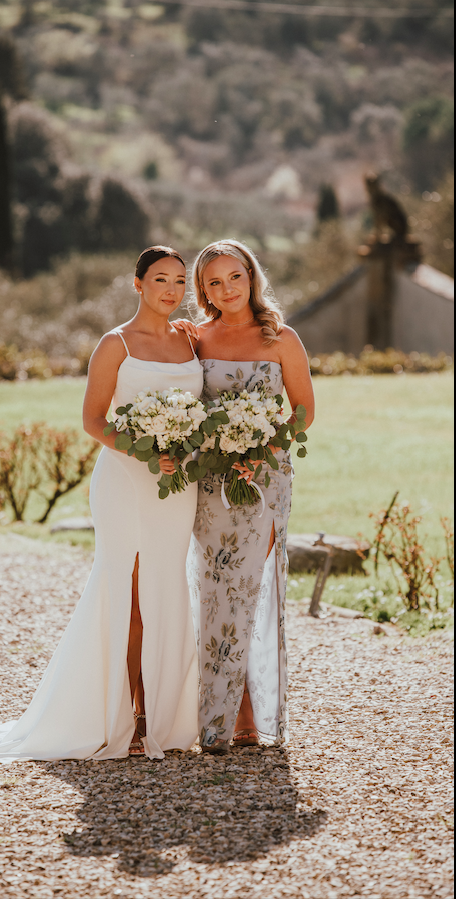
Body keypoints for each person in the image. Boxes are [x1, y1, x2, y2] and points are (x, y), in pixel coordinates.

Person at [0, 246, 203, 763]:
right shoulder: (115, 344)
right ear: (137, 284)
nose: (171, 291)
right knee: (127, 597)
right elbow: (94, 421)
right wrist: (148, 449)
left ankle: (165, 714)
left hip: (178, 488)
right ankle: (125, 716)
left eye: (179, 281)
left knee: (169, 591)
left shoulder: (191, 341)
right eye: (160, 280)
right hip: (127, 481)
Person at [183, 239, 314, 753]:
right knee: (216, 589)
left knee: (251, 589)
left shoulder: (281, 338)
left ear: (251, 277)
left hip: (266, 480)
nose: (226, 288)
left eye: (234, 277)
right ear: (203, 289)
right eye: (214, 281)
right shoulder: (195, 338)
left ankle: (254, 710)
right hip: (212, 483)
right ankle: (226, 716)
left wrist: (264, 445)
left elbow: (302, 411)